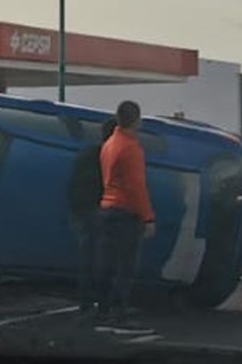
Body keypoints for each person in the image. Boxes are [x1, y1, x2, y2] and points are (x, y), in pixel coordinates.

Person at [94, 101, 155, 335]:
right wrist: (148, 217)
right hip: (125, 212)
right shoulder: (131, 148)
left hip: (106, 209)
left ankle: (103, 309)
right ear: (137, 120)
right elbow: (136, 186)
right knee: (126, 266)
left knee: (106, 263)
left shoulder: (109, 144)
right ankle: (119, 313)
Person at [67, 118, 116, 315]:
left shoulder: (86, 154)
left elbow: (74, 185)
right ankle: (104, 304)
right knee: (107, 261)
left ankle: (86, 302)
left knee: (87, 260)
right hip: (102, 213)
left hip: (83, 212)